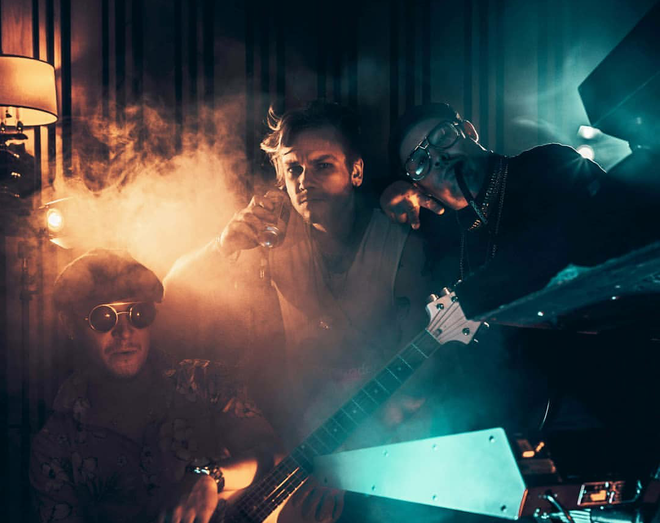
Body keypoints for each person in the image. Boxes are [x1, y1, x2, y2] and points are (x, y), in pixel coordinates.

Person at [29, 248, 337, 523]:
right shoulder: (55, 447)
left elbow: (275, 456)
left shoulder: (206, 382)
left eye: (139, 314)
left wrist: (210, 478)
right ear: (70, 325)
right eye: (104, 317)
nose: (125, 332)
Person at [382, 102, 610, 318]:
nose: (438, 158)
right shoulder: (442, 234)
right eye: (420, 162)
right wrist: (384, 193)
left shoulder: (548, 165)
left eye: (442, 137)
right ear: (418, 187)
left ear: (469, 131)